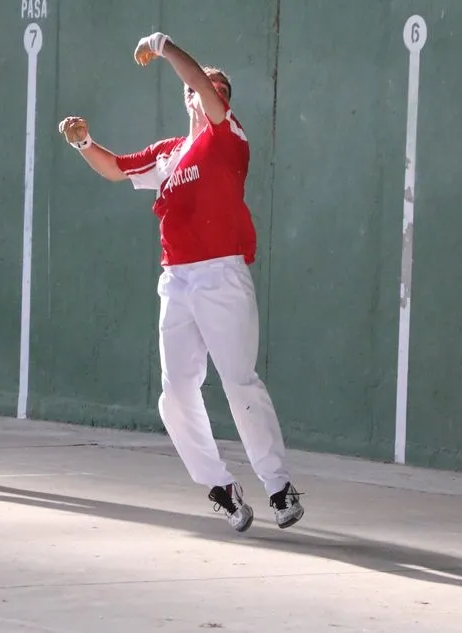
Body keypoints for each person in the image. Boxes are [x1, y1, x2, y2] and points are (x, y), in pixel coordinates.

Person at [58, 32, 304, 532]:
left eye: (219, 89)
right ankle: (220, 487)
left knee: (239, 381)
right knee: (175, 392)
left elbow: (199, 82)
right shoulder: (170, 154)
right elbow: (115, 168)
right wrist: (83, 142)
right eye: (203, 88)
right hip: (177, 281)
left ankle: (278, 486)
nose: (211, 92)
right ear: (186, 98)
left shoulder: (227, 137)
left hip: (222, 276)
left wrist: (165, 47)